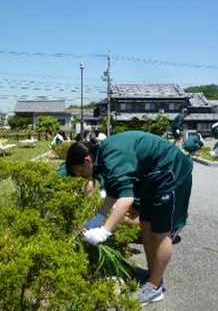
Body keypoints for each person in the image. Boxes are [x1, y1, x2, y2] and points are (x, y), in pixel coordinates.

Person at [65, 131, 193, 306]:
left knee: (160, 233)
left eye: (79, 171)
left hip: (170, 173)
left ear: (87, 159)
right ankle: (152, 274)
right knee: (146, 225)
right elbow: (114, 192)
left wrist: (104, 231)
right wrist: (100, 216)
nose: (80, 175)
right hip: (152, 178)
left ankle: (154, 289)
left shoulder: (112, 156)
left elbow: (126, 199)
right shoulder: (102, 158)